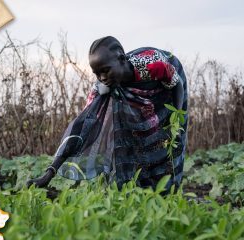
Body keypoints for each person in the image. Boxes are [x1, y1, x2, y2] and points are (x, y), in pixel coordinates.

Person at [27, 36, 188, 191]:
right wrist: (49, 173)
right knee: (131, 137)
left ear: (121, 60)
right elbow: (81, 126)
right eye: (97, 74)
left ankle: (168, 190)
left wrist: (176, 121)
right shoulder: (101, 88)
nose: (102, 78)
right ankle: (137, 188)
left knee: (169, 139)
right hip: (131, 89)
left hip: (168, 86)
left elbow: (176, 85)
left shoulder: (150, 64)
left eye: (105, 71)